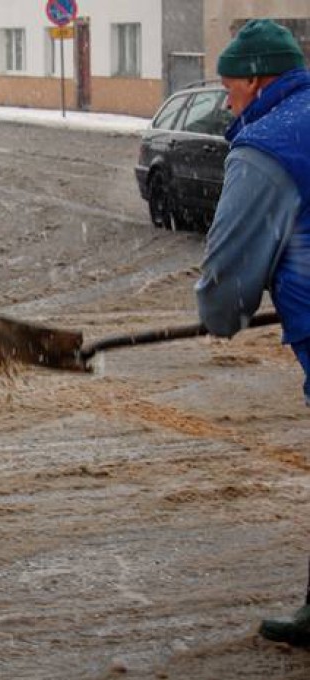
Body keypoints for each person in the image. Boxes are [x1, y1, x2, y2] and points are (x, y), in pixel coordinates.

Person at [195, 19, 310, 648]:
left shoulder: (268, 148)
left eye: (229, 88)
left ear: (257, 79)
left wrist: (223, 314)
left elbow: (228, 282)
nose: (227, 101)